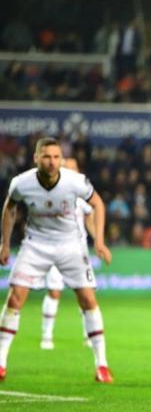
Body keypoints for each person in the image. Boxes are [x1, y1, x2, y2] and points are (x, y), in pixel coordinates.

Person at [0, 138, 113, 383]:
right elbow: (9, 207)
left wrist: (100, 241)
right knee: (15, 297)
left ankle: (102, 365)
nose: (52, 162)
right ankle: (1, 362)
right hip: (36, 244)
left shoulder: (75, 181)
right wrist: (5, 243)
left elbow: (97, 203)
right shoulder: (21, 183)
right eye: (46, 157)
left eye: (55, 157)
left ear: (61, 159)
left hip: (70, 245)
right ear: (36, 158)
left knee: (88, 299)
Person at [38, 158, 96, 350]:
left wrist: (98, 240)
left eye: (73, 168)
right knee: (54, 292)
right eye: (67, 168)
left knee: (86, 294)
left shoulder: (83, 193)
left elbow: (90, 215)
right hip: (56, 249)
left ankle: (88, 335)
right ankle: (47, 335)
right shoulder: (50, 192)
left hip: (79, 251)